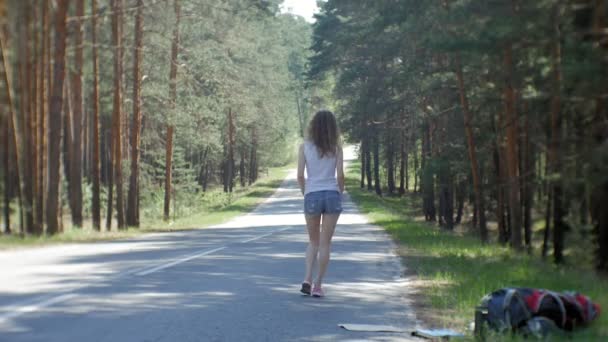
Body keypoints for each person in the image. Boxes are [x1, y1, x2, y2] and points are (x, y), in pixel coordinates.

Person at [297, 110, 344, 298]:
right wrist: (340, 193)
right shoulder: (336, 148)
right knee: (325, 243)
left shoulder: (304, 147)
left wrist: (305, 192)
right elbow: (340, 176)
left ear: (313, 125)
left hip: (312, 194)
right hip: (332, 193)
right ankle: (318, 285)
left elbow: (300, 175)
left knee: (313, 241)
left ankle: (307, 278)